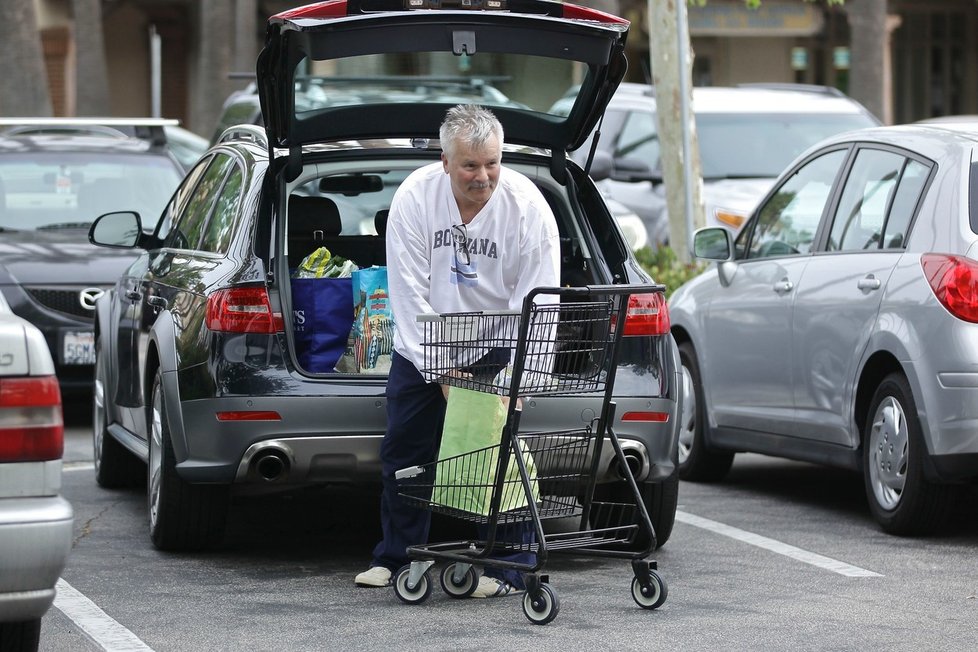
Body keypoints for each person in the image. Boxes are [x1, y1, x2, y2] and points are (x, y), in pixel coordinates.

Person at [354, 104, 561, 598]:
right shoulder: (414, 198)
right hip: (424, 341)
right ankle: (397, 557)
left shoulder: (529, 209)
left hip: (497, 344)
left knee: (498, 455)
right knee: (406, 449)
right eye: (470, 166)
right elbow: (407, 291)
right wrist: (441, 369)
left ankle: (509, 567)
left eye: (492, 163)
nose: (483, 176)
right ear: (445, 161)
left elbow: (540, 300)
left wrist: (520, 380)